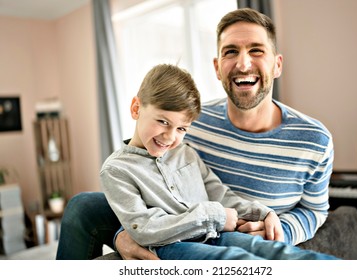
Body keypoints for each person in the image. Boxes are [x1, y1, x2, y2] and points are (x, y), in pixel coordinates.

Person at [56, 8, 333, 260]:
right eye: (231, 51)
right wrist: (122, 236)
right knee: (82, 205)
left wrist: (276, 226)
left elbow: (315, 210)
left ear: (278, 64)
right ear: (216, 67)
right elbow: (148, 213)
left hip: (232, 227)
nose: (244, 64)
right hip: (192, 230)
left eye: (257, 50)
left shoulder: (314, 139)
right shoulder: (193, 123)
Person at [99, 63, 336, 260]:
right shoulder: (117, 170)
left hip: (215, 232)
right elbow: (145, 228)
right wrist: (215, 216)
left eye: (181, 128)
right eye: (162, 121)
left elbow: (219, 193)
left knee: (275, 252)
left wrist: (261, 213)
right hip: (172, 246)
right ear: (136, 108)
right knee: (240, 262)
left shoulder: (186, 152)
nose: (170, 137)